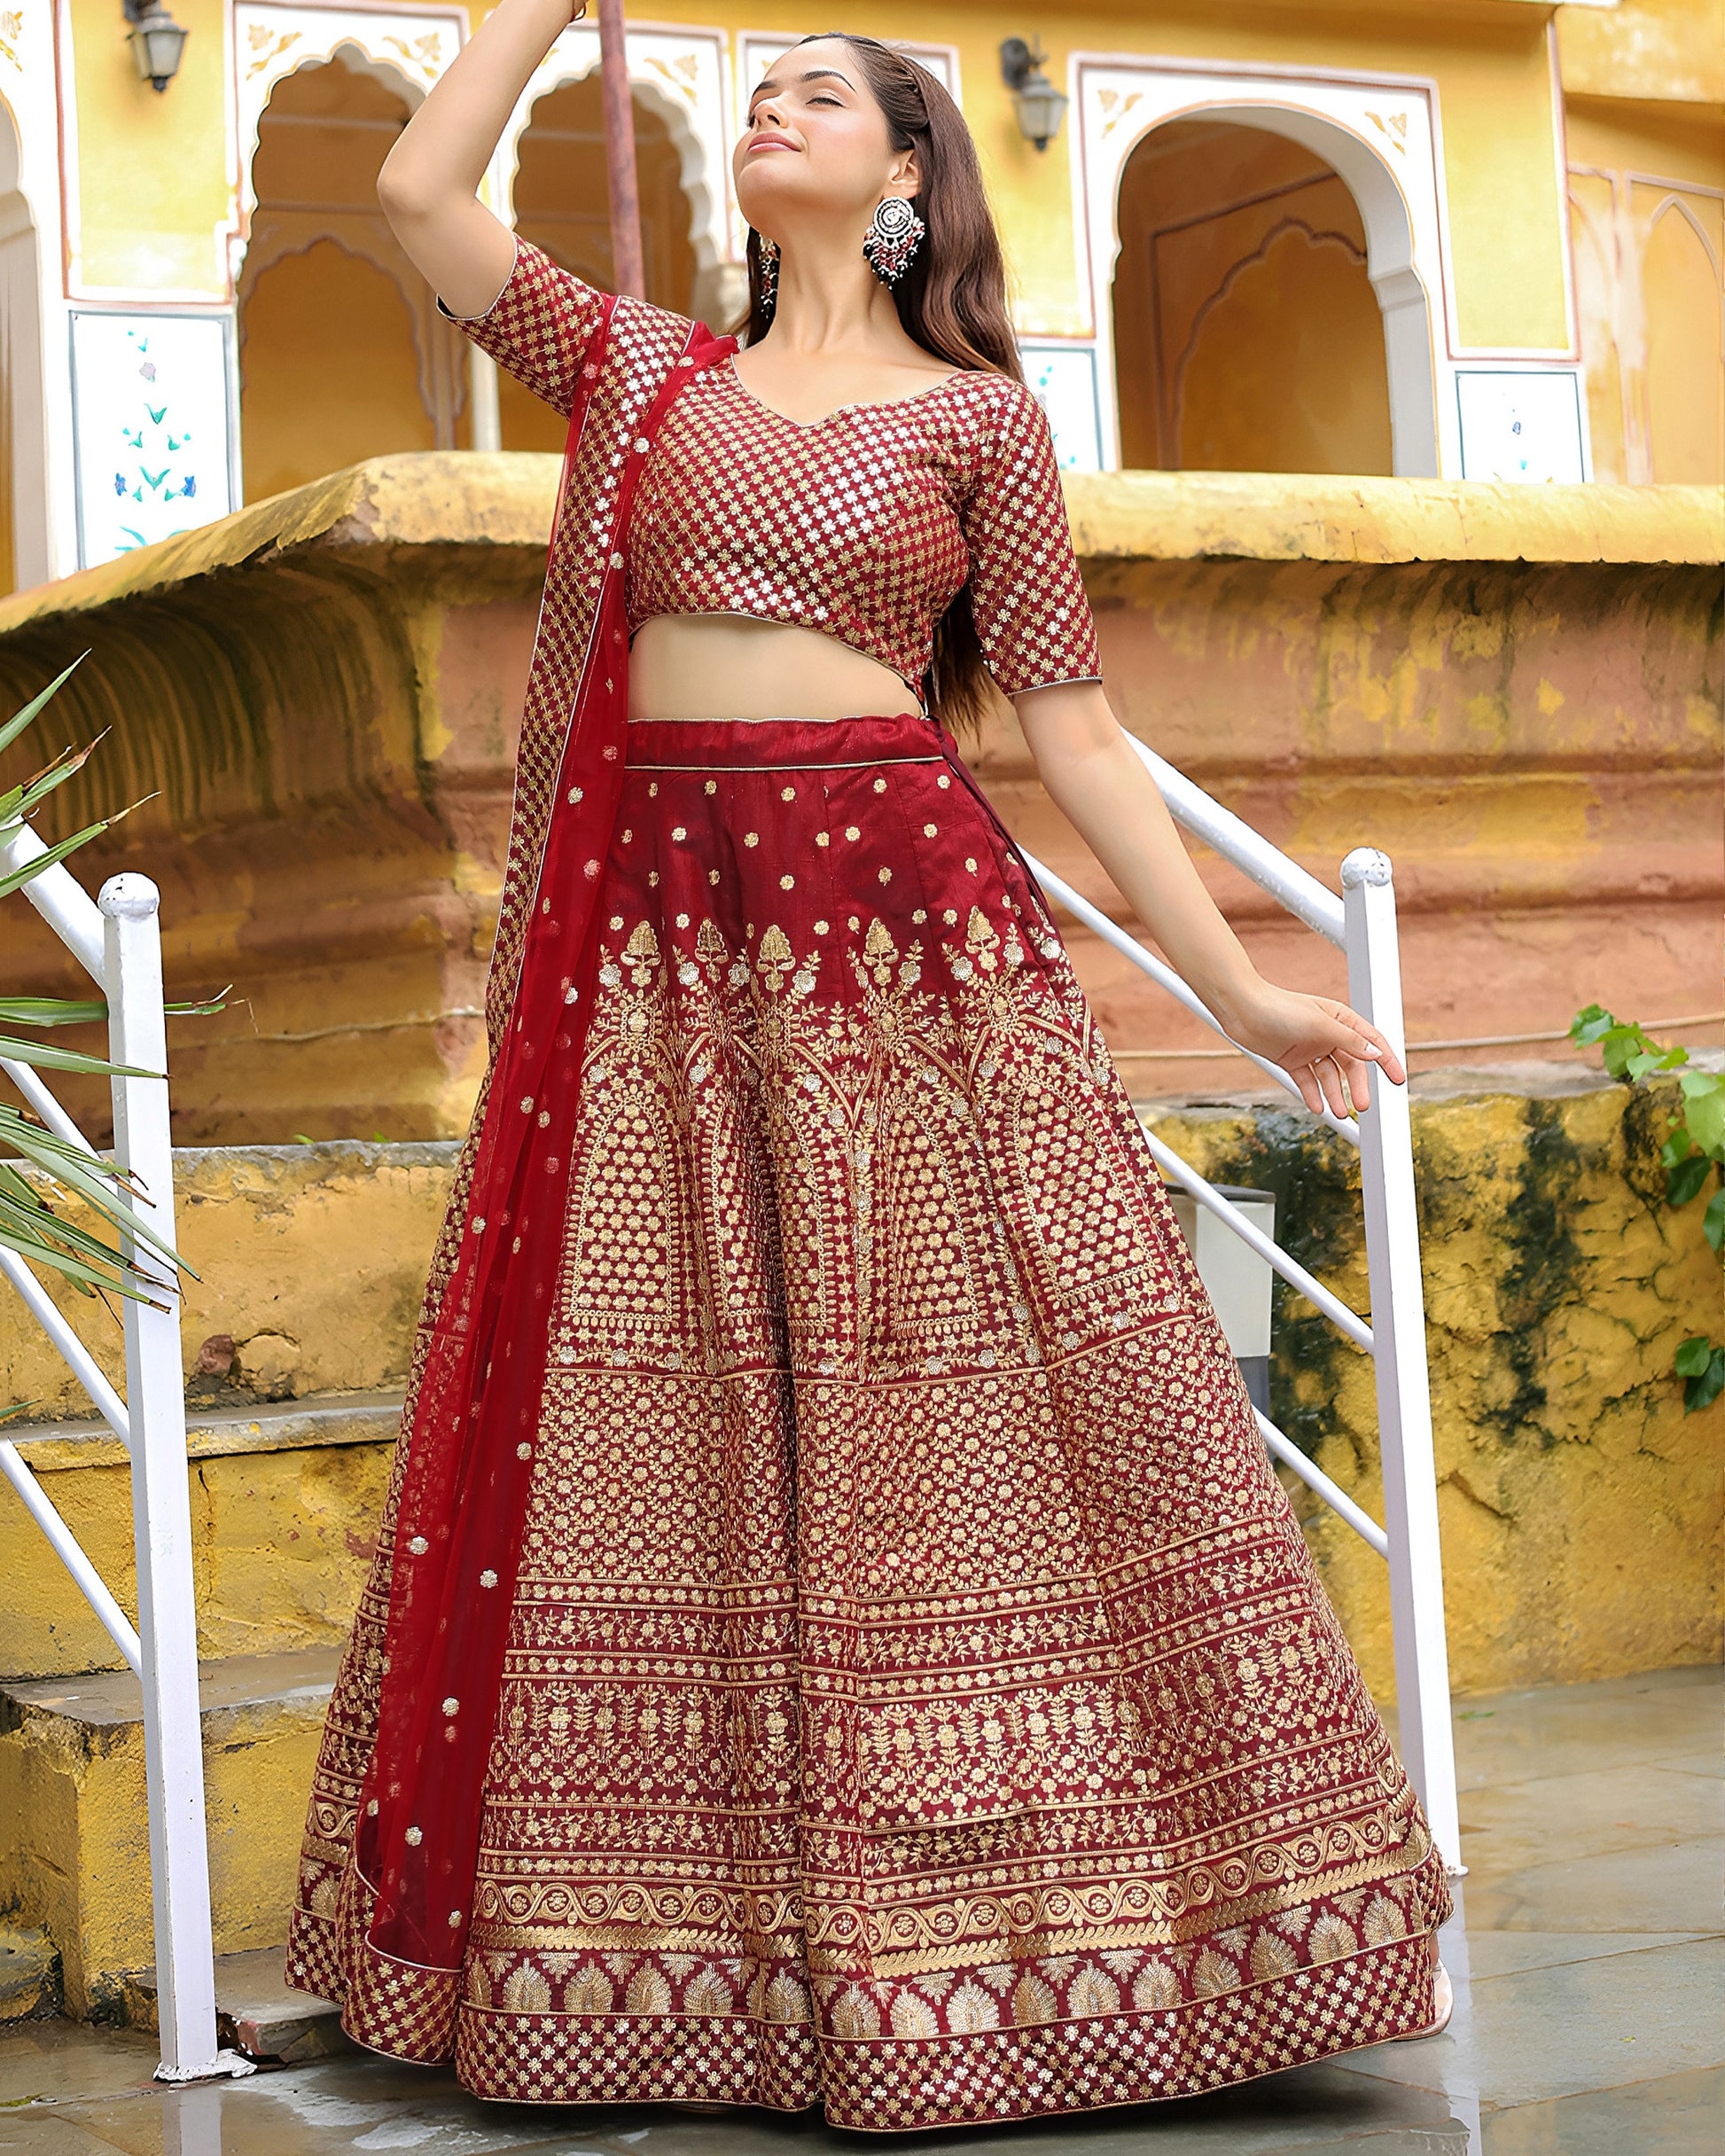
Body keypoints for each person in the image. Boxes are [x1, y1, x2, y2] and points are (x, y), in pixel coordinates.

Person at [285, 7, 1451, 2129]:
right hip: (659, 952)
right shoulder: (651, 373)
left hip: (896, 940)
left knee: (950, 1418)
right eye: (760, 92)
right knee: (666, 1416)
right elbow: (415, 199)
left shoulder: (980, 424)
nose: (772, 113)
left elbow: (1072, 733)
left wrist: (1246, 991)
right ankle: (678, 1962)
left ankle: (1033, 1941)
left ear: (912, 165)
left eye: (819, 91)